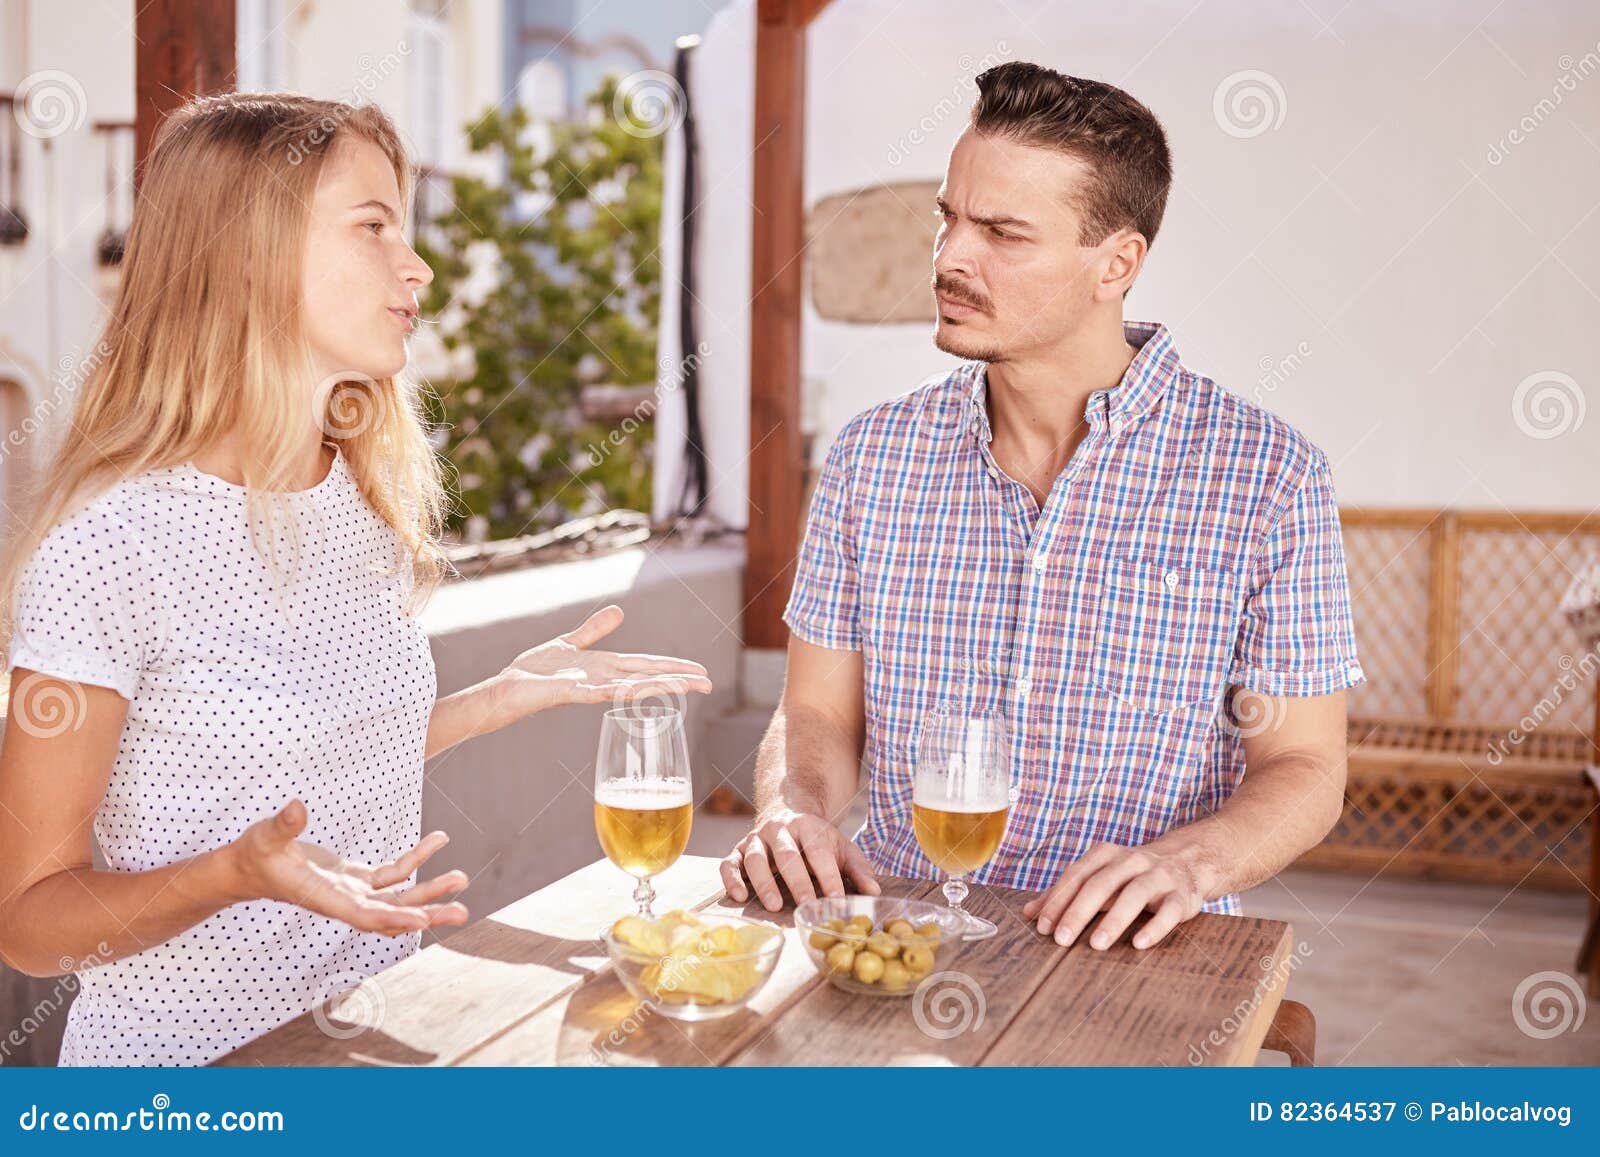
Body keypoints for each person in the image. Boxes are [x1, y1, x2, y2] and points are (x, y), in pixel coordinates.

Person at [0, 92, 711, 1066]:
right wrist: (232, 873)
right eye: (373, 226)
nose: (414, 265)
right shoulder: (110, 544)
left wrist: (500, 696)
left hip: (373, 1051)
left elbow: (303, 752)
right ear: (249, 251)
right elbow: (29, 919)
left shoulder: (358, 504)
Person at [720, 62, 1363, 953]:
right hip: (898, 939)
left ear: (1117, 264)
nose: (949, 257)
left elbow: (1305, 765)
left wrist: (1189, 864)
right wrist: (795, 810)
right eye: (947, 217)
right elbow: (818, 713)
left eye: (1003, 233)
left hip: (1132, 955)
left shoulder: (1267, 475)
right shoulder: (872, 457)